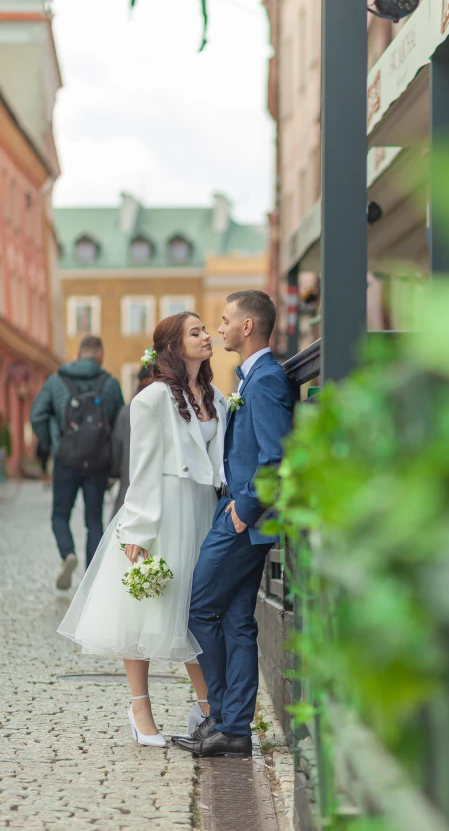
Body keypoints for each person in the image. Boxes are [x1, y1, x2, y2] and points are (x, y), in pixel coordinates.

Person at [57, 313, 227, 748]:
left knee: (194, 610)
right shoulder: (150, 399)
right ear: (173, 346)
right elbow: (144, 468)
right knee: (145, 607)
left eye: (206, 330)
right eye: (196, 332)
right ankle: (140, 709)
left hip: (203, 510)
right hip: (162, 510)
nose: (207, 336)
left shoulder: (216, 397)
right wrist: (137, 530)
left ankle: (209, 709)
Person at [173, 290, 295, 759]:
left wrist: (244, 509)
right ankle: (233, 731)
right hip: (243, 513)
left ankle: (223, 717)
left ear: (247, 327)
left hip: (245, 516)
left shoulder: (263, 380)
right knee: (238, 620)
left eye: (225, 321)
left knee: (198, 607)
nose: (219, 328)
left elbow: (276, 456)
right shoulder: (252, 377)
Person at [30, 336, 124, 589]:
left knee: (60, 514)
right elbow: (120, 427)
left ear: (78, 355)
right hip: (98, 463)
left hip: (66, 460)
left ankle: (67, 554)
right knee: (94, 520)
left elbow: (37, 414)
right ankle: (91, 578)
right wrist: (113, 465)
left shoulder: (57, 381)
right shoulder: (110, 384)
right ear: (100, 356)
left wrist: (52, 445)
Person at [110, 365, 154, 517]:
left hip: (129, 485)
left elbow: (117, 446)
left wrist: (114, 472)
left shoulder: (127, 411)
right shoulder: (170, 409)